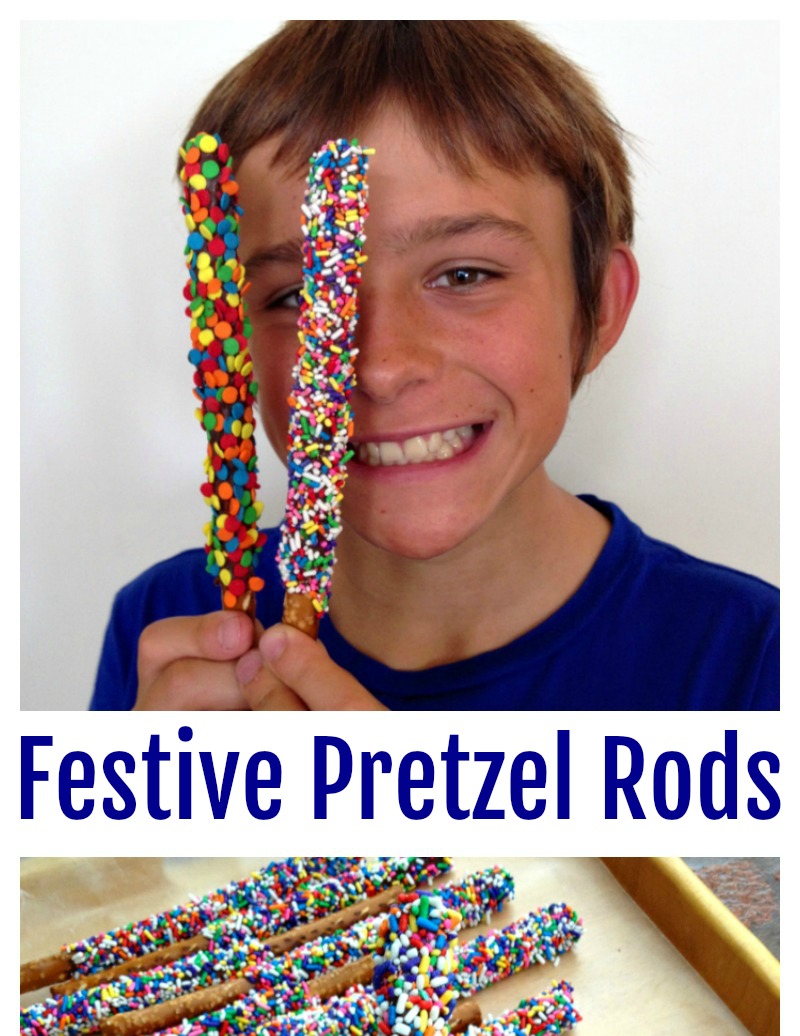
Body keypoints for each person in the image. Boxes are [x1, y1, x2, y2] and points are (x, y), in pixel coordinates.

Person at [90, 20, 778, 712]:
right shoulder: (167, 635)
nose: (381, 367)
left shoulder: (754, 663)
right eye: (300, 295)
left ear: (598, 305)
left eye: (463, 275)